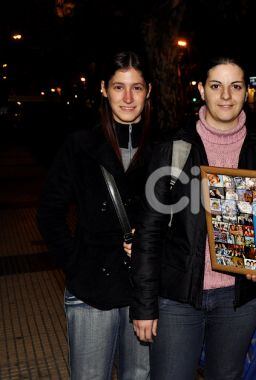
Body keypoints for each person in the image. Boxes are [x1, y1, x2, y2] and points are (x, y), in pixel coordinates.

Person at [128, 57, 256, 380]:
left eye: (235, 86)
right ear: (201, 90)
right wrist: (143, 305)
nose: (226, 95)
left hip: (239, 300)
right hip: (179, 298)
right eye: (216, 86)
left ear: (246, 91)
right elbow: (149, 232)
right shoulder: (174, 148)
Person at [37, 51, 152, 379]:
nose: (128, 98)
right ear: (103, 89)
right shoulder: (81, 145)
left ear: (149, 91)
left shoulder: (163, 148)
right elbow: (49, 212)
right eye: (119, 88)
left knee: (140, 376)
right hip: (91, 289)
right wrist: (76, 261)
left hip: (143, 291)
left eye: (137, 88)